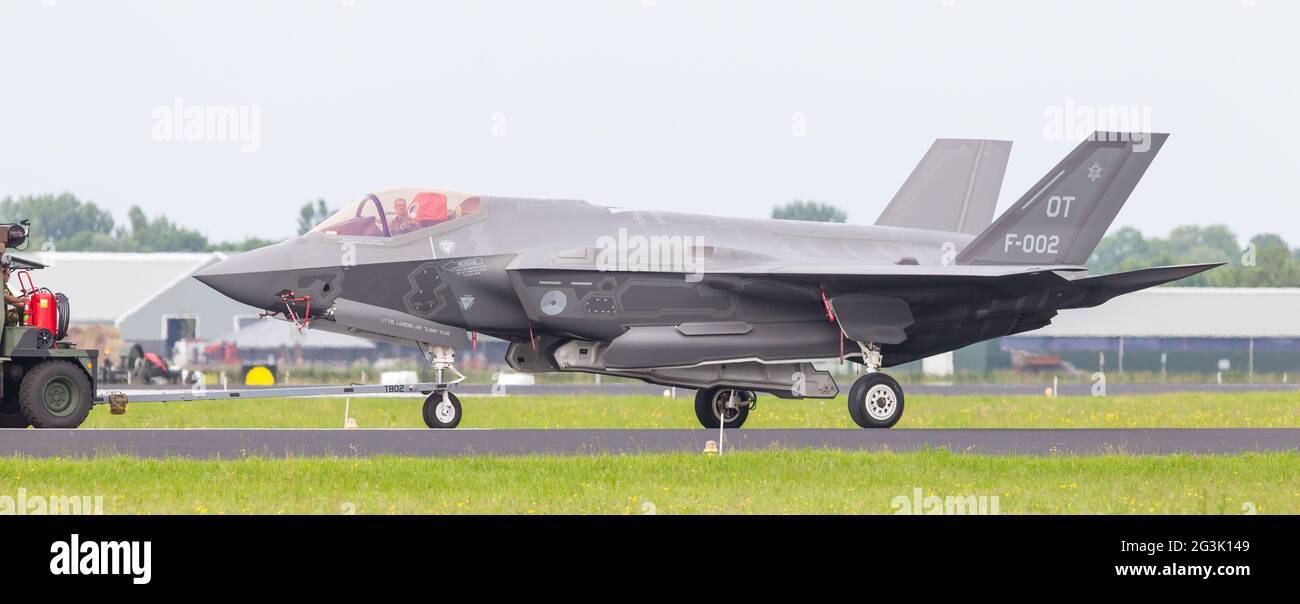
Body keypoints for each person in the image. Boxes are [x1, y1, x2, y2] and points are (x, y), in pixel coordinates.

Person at [1, 255, 27, 326]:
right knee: (14, 316)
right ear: (2, 274)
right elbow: (7, 298)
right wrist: (22, 300)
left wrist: (28, 305)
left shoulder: (4, 286)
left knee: (21, 310)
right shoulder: (1, 285)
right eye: (8, 274)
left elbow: (13, 302)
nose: (9, 277)